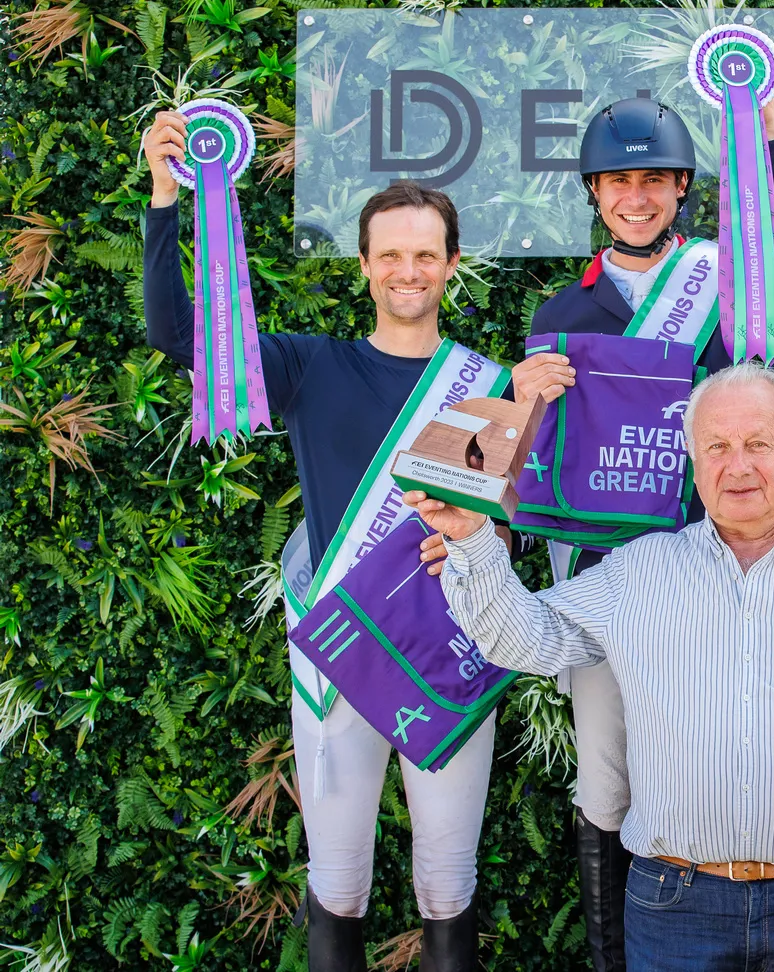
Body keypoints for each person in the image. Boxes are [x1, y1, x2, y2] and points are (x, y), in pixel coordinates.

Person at [415, 80, 774, 972]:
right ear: (595, 196)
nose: (635, 197)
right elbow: (523, 468)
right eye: (617, 182)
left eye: (654, 180)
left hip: (717, 565)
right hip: (604, 577)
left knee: (725, 759)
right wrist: (519, 400)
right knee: (605, 776)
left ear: (685, 188)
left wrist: (772, 132)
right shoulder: (558, 314)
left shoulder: (728, 278)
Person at [407, 364, 774, 972]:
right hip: (674, 908)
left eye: (758, 444)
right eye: (717, 446)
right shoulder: (639, 571)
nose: (738, 465)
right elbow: (523, 640)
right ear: (693, 459)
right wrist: (473, 538)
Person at [143, 113, 507, 971]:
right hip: (339, 651)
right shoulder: (307, 366)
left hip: (451, 651)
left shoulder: (490, 385)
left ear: (452, 266)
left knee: (448, 886)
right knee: (336, 883)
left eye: (426, 255)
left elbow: (524, 522)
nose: (407, 270)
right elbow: (175, 335)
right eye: (390, 255)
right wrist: (166, 199)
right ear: (364, 266)